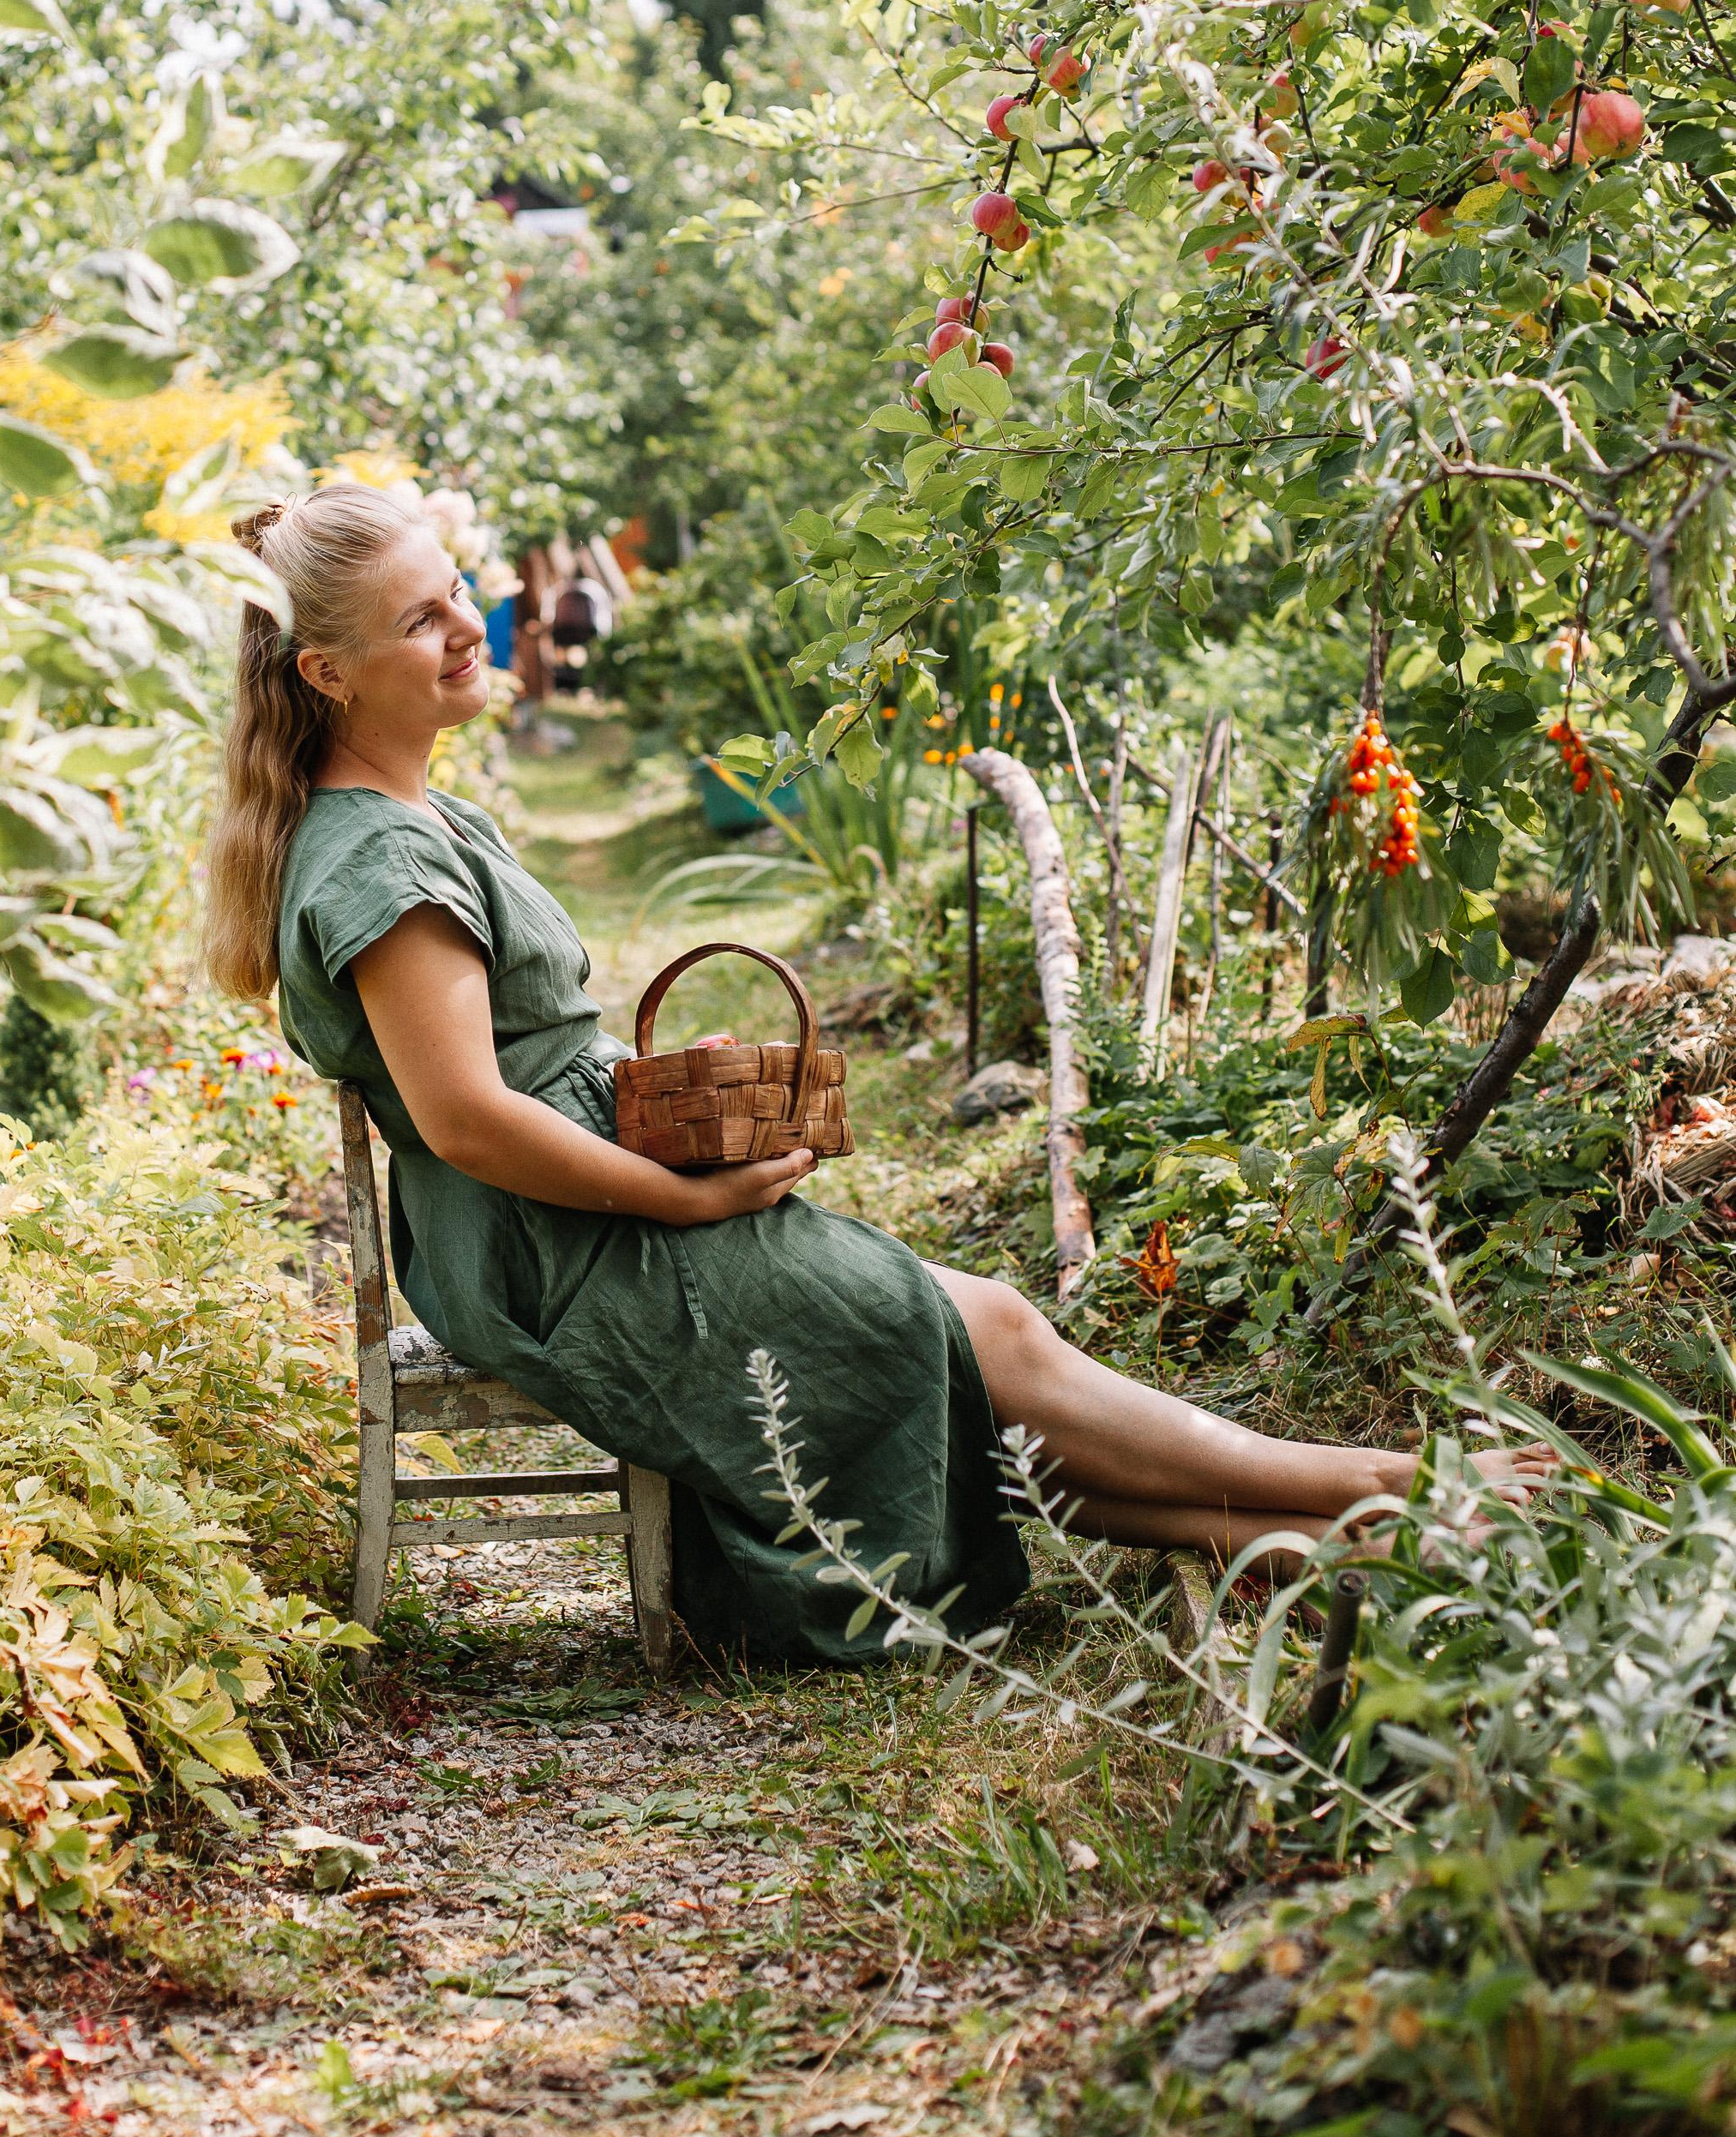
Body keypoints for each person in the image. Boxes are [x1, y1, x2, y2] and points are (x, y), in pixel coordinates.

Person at [203, 485, 1549, 1666]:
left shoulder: (422, 814)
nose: (466, 629)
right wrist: (684, 1200)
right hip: (555, 1248)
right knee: (983, 1333)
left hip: (567, 1208)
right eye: (421, 621)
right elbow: (467, 1118)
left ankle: (1335, 1528)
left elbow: (507, 1064)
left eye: (457, 594)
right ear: (327, 673)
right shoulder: (384, 862)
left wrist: (656, 1096)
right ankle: (1399, 1483)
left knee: (974, 1343)